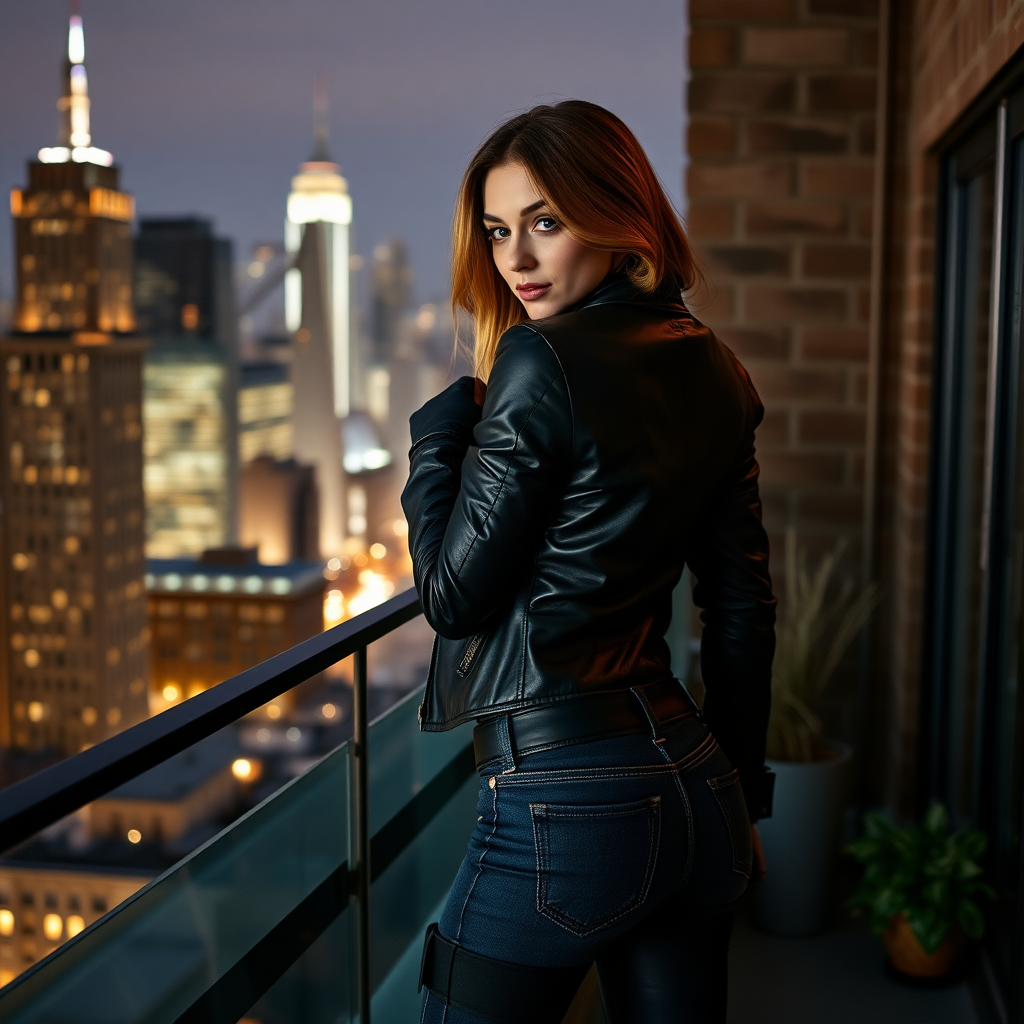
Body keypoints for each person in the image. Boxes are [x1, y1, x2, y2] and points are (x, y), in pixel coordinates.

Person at [402, 100, 776, 1024]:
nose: (517, 260)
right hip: (698, 780)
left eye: (546, 222)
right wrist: (745, 789)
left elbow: (452, 597)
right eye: (497, 232)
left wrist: (437, 441)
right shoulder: (719, 367)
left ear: (618, 216)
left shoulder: (541, 359)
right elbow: (741, 608)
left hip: (568, 805)